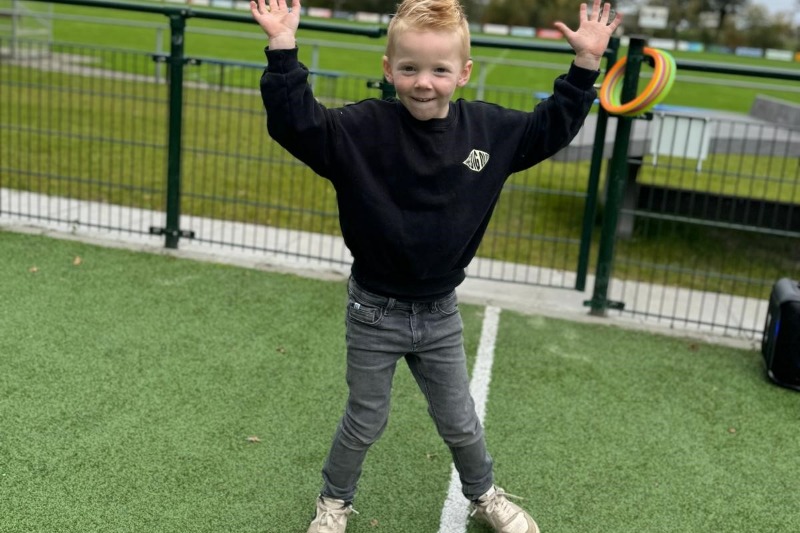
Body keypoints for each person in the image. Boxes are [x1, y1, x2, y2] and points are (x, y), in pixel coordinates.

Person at [250, 0, 622, 531]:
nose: (424, 82)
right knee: (365, 421)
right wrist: (282, 48)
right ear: (388, 69)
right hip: (373, 312)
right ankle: (333, 503)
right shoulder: (359, 130)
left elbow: (550, 127)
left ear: (463, 73)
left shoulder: (488, 131)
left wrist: (585, 65)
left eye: (439, 70)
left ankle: (484, 494)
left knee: (460, 422)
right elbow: (295, 124)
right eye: (409, 68)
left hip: (439, 313)